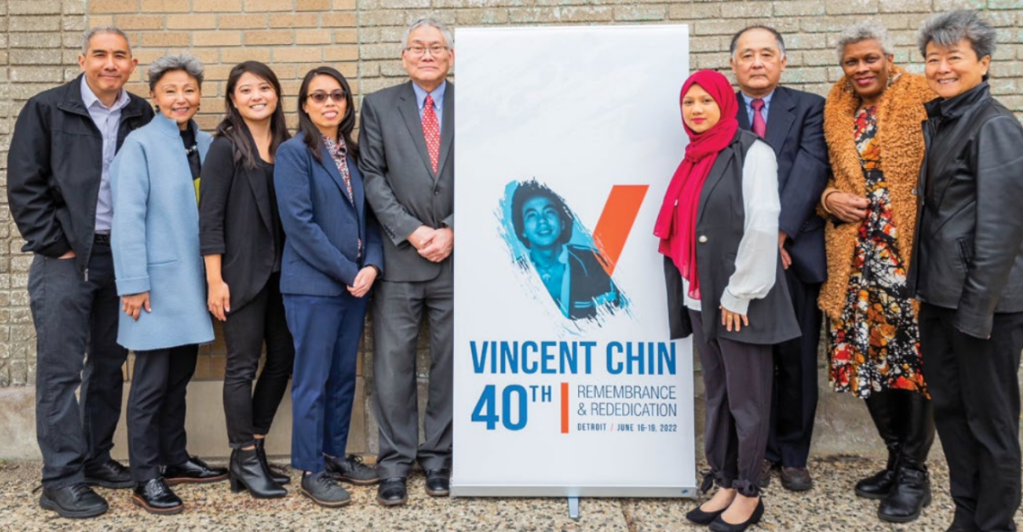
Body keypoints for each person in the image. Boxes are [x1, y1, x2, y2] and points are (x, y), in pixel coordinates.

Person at [6, 26, 153, 519]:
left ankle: (94, 459)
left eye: (120, 56)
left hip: (122, 259)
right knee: (61, 371)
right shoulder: (48, 108)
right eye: (100, 55)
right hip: (66, 260)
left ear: (133, 64)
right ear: (81, 58)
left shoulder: (141, 114)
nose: (110, 64)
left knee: (109, 365)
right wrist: (58, 245)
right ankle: (60, 478)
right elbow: (25, 184)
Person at [657, 69, 799, 532]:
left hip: (739, 301)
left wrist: (739, 295)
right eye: (688, 102)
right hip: (701, 299)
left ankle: (749, 492)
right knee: (718, 395)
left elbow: (762, 225)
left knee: (748, 399)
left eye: (705, 101)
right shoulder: (692, 158)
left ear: (725, 104)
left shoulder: (751, 153)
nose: (696, 110)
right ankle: (724, 480)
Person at [910, 10, 1023, 532]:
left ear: (983, 63)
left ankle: (995, 524)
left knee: (992, 423)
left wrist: (977, 313)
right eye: (933, 59)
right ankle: (967, 514)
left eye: (954, 57)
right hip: (941, 300)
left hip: (986, 308)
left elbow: (1001, 230)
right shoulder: (946, 118)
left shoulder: (995, 124)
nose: (942, 67)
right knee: (953, 414)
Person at [818, 22, 935, 523]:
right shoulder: (835, 108)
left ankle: (914, 472)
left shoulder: (922, 96)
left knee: (911, 367)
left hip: (906, 258)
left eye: (870, 59)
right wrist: (828, 199)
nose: (861, 69)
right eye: (852, 62)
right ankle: (893, 458)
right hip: (853, 260)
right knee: (865, 364)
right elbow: (827, 177)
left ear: (888, 57)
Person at [110, 53, 228, 516]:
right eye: (170, 91)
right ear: (154, 97)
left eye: (189, 90)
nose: (181, 98)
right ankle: (145, 476)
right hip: (155, 286)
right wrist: (133, 283)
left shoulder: (206, 142)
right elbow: (127, 219)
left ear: (199, 95)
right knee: (150, 384)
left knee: (179, 377)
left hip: (192, 284)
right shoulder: (139, 144)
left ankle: (174, 458)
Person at [274, 66, 383, 508]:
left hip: (356, 284)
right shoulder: (294, 153)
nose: (329, 103)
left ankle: (335, 454)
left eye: (337, 95)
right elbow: (300, 225)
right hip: (314, 286)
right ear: (304, 105)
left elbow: (370, 219)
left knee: (342, 376)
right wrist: (347, 270)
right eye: (318, 96)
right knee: (313, 380)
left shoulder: (354, 153)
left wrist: (371, 265)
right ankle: (310, 469)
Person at [728, 25, 829, 492]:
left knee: (796, 357)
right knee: (748, 359)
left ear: (782, 62)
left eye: (766, 54)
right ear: (734, 64)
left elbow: (810, 170)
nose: (756, 62)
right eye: (747, 54)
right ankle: (754, 452)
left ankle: (792, 454)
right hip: (737, 257)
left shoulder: (809, 108)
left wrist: (776, 239)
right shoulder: (718, 108)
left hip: (794, 254)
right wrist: (753, 247)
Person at [359, 17, 455, 507]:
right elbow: (371, 175)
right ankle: (394, 464)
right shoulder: (377, 106)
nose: (427, 54)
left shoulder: (472, 105)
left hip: (457, 261)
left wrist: (453, 229)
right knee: (393, 365)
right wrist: (414, 231)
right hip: (400, 259)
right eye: (417, 47)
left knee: (449, 363)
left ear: (450, 57)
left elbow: (489, 167)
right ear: (403, 57)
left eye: (436, 47)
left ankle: (439, 458)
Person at [198, 61, 293, 499]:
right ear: (233, 100)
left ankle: (252, 447)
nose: (257, 95)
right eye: (246, 90)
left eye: (265, 87)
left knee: (282, 358)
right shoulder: (224, 147)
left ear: (276, 94)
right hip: (240, 274)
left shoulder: (287, 145)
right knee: (241, 364)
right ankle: (242, 453)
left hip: (283, 273)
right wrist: (215, 280)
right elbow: (210, 218)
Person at [510, 180, 622, 320]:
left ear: (562, 222)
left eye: (549, 212)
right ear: (523, 230)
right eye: (532, 215)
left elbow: (613, 321)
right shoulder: (514, 272)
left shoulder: (591, 261)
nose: (542, 220)